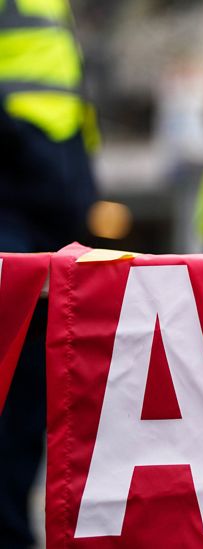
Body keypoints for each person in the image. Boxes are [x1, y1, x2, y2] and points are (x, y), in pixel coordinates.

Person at [0, 0, 98, 546]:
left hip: (50, 208)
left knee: (35, 391)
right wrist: (26, 149)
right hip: (12, 197)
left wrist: (77, 191)